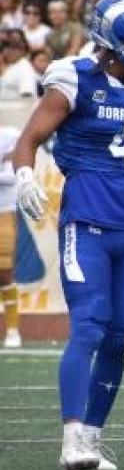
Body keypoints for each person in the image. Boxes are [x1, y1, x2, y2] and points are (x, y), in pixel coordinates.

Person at [12, 0, 124, 470]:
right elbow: (28, 142)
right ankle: (70, 441)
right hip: (85, 222)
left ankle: (91, 438)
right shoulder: (72, 78)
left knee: (120, 332)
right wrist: (24, 176)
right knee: (88, 324)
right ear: (121, 41)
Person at [0, 126, 21, 348]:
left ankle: (13, 329)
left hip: (3, 211)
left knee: (5, 272)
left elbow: (11, 175)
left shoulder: (9, 136)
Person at [0, 34, 39, 100]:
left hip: (18, 108)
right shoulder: (11, 65)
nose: (10, 52)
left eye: (14, 49)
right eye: (8, 49)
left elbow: (27, 95)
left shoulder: (25, 67)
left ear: (22, 51)